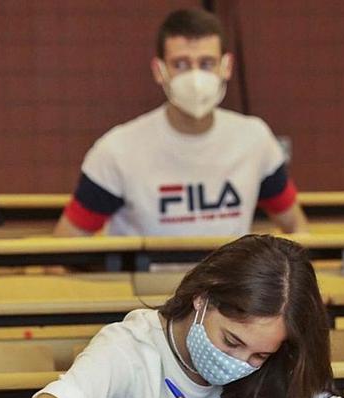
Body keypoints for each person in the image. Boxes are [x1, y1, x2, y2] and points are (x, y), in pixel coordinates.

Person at [0, 235, 344, 398]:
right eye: (231, 341)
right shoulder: (128, 348)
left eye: (258, 356)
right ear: (202, 299)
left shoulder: (282, 364)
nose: (239, 363)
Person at [53, 8, 308, 237]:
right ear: (159, 71)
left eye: (207, 63)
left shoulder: (255, 139)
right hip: (147, 288)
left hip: (229, 288)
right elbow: (65, 247)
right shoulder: (117, 150)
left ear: (226, 67)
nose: (195, 76)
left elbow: (297, 227)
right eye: (181, 64)